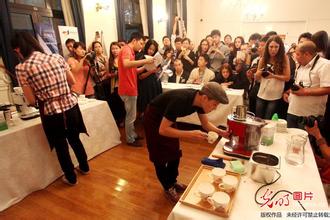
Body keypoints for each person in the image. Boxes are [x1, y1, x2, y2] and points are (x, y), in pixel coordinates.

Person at [11, 32, 89, 185]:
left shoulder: (22, 68)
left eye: (15, 50)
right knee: (75, 139)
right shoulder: (56, 57)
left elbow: (31, 100)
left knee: (61, 145)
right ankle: (85, 167)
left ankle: (71, 178)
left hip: (52, 112)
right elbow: (72, 81)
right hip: (70, 105)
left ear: (19, 49)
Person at [143, 82, 230, 202]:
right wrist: (190, 134)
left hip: (166, 120)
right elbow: (163, 130)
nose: (215, 108)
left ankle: (173, 181)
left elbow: (205, 124)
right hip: (154, 119)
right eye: (214, 104)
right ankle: (168, 187)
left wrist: (221, 132)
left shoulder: (200, 101)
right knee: (160, 157)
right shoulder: (181, 100)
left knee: (174, 151)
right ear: (205, 98)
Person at [118, 32, 154, 146]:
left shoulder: (130, 51)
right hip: (128, 88)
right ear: (134, 40)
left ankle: (132, 134)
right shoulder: (126, 50)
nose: (142, 46)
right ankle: (130, 139)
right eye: (141, 43)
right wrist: (145, 61)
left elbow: (133, 70)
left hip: (131, 87)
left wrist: (146, 67)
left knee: (132, 115)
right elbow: (126, 64)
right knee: (131, 116)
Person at [285, 41, 330, 128]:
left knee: (305, 141)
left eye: (297, 54)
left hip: (309, 115)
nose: (295, 57)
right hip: (292, 110)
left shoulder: (325, 65)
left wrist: (305, 91)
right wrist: (288, 92)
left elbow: (328, 88)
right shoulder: (300, 65)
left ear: (307, 54)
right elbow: (301, 85)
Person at [255, 35, 290, 119]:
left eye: (276, 47)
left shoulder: (284, 58)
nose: (273, 49)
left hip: (275, 94)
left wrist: (273, 76)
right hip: (262, 93)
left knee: (268, 120)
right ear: (267, 47)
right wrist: (259, 73)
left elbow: (287, 77)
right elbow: (257, 77)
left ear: (280, 47)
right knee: (258, 118)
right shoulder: (263, 58)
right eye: (271, 47)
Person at [137, 40, 162, 115]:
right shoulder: (141, 58)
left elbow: (157, 71)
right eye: (150, 49)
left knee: (155, 104)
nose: (151, 51)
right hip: (145, 85)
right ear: (146, 47)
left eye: (153, 50)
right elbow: (140, 77)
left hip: (155, 83)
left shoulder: (156, 58)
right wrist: (151, 71)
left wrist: (159, 71)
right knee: (146, 105)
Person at [108, 42, 125, 126]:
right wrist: (112, 74)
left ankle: (123, 120)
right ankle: (118, 119)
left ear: (120, 49)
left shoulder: (123, 59)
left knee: (123, 103)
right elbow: (108, 73)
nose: (114, 50)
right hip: (114, 84)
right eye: (112, 49)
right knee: (116, 102)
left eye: (116, 48)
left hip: (124, 84)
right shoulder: (110, 60)